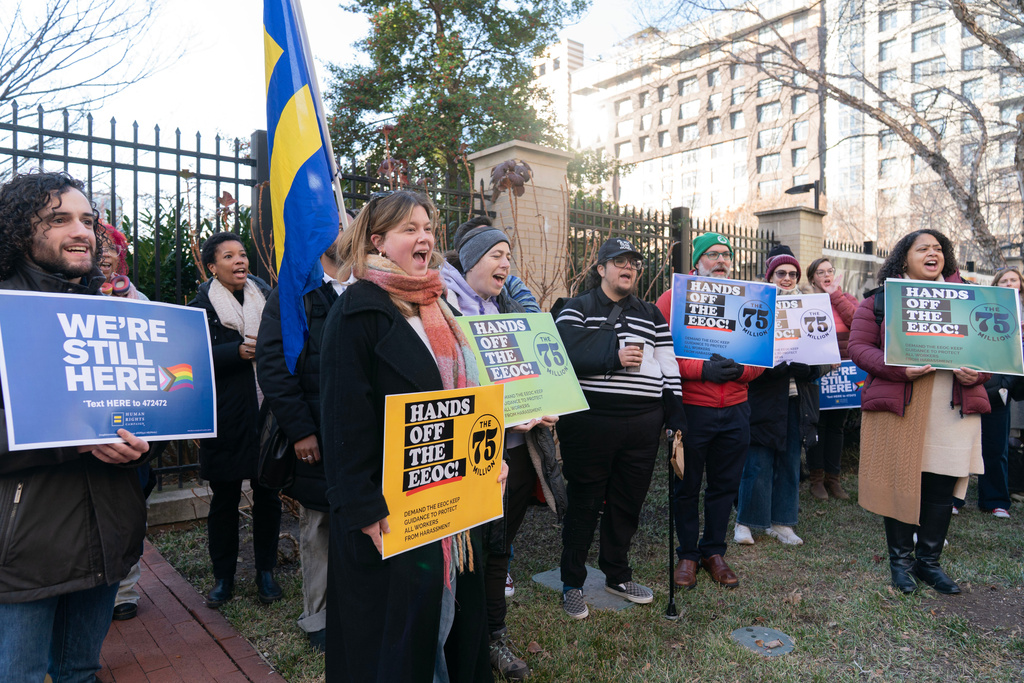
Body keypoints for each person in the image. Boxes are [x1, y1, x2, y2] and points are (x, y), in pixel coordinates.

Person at [320, 189, 503, 682]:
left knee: (448, 621)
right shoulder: (357, 309)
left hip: (451, 496)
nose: (424, 237)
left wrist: (491, 457)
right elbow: (342, 419)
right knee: (401, 635)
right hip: (389, 508)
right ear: (378, 241)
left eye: (427, 227)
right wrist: (362, 507)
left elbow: (465, 399)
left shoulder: (439, 303)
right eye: (409, 229)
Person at [0, 171, 150, 681]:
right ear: (21, 231)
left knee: (80, 672)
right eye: (59, 219)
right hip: (24, 551)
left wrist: (142, 443)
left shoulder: (116, 310)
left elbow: (147, 405)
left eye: (88, 220)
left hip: (108, 537)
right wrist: (71, 441)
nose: (81, 231)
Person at [442, 223, 566, 679]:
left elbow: (539, 371)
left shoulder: (511, 309)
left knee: (497, 551)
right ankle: (454, 643)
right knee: (461, 553)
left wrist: (546, 402)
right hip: (466, 455)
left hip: (514, 453)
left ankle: (492, 639)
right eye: (496, 254)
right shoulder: (440, 307)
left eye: (508, 256)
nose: (505, 264)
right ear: (471, 260)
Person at [848, 229, 989, 595]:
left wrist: (979, 373)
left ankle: (929, 564)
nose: (933, 253)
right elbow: (858, 347)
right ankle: (901, 564)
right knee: (902, 481)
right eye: (923, 248)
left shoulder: (970, 299)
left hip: (951, 407)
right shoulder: (879, 302)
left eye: (938, 249)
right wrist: (899, 369)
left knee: (941, 485)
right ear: (903, 257)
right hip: (901, 405)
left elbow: (991, 351)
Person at [555, 237, 687, 619]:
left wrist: (675, 415)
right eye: (619, 262)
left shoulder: (651, 314)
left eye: (634, 263)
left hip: (644, 424)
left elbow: (668, 364)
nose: (628, 268)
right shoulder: (575, 308)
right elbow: (562, 351)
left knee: (628, 502)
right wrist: (612, 356)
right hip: (590, 423)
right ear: (601, 269)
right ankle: (572, 582)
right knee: (585, 502)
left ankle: (617, 573)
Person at [256, 237, 351, 652]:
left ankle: (355, 609)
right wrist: (300, 431)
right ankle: (319, 620)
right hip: (316, 434)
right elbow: (273, 365)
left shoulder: (372, 286)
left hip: (363, 436)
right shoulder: (295, 292)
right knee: (320, 527)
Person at [655, 233, 763, 590]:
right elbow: (661, 354)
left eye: (725, 255)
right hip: (691, 410)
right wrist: (702, 371)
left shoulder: (750, 299)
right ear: (696, 262)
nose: (720, 260)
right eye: (712, 255)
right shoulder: (673, 298)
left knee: (724, 485)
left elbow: (762, 357)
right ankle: (687, 554)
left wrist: (742, 371)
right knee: (685, 483)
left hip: (735, 409)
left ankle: (713, 551)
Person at [190, 232, 282, 609]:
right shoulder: (201, 307)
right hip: (225, 417)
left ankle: (266, 572)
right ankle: (223, 578)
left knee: (268, 495)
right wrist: (235, 352)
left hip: (266, 412)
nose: (240, 261)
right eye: (228, 256)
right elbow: (190, 358)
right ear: (212, 267)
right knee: (224, 500)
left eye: (242, 254)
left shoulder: (268, 299)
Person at [734, 247, 828, 547]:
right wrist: (767, 368)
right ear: (769, 276)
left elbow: (823, 354)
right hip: (763, 395)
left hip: (796, 399)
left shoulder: (811, 307)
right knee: (757, 460)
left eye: (792, 274)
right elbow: (743, 348)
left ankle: (782, 523)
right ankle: (746, 522)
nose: (787, 278)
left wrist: (810, 368)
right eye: (781, 273)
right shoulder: (756, 304)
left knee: (789, 461)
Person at [804, 257, 858, 500]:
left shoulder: (847, 299)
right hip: (818, 372)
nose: (826, 275)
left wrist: (835, 295)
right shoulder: (805, 301)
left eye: (830, 271)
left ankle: (833, 480)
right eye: (820, 272)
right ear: (812, 278)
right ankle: (816, 480)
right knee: (817, 424)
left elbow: (857, 324)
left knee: (837, 427)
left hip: (845, 373)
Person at [975, 267, 1024, 518]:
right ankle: (952, 499)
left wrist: (1006, 385)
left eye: (1013, 279)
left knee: (997, 447)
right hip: (977, 383)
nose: (1008, 284)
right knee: (962, 445)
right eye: (1003, 281)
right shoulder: (983, 309)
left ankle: (996, 501)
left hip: (1005, 388)